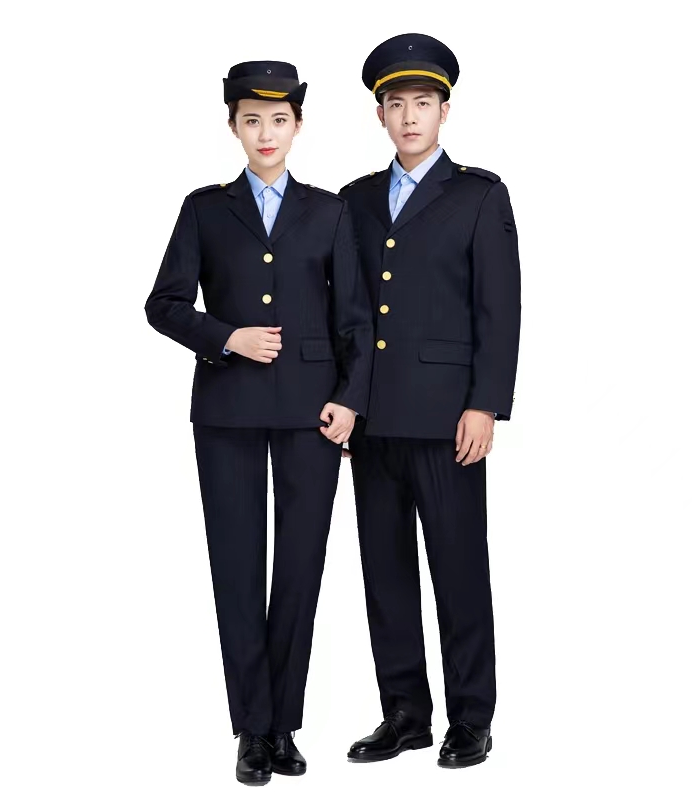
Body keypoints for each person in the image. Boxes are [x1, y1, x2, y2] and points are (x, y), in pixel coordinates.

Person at [144, 60, 373, 786]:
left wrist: (350, 398)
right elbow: (163, 304)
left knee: (300, 568)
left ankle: (283, 726)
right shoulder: (204, 209)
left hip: (312, 414)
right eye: (252, 120)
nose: (266, 133)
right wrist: (226, 337)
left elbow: (355, 320)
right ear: (233, 126)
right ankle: (251, 728)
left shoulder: (331, 211)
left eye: (279, 120)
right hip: (229, 411)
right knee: (237, 569)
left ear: (298, 126)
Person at [339, 33, 521, 769]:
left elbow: (498, 309)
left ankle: (471, 717)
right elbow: (346, 312)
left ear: (445, 111)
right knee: (385, 575)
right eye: (396, 103)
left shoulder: (478, 195)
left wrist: (486, 404)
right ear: (379, 114)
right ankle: (406, 714)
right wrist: (343, 401)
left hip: (449, 421)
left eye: (423, 102)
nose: (409, 116)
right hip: (373, 420)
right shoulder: (353, 200)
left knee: (458, 569)